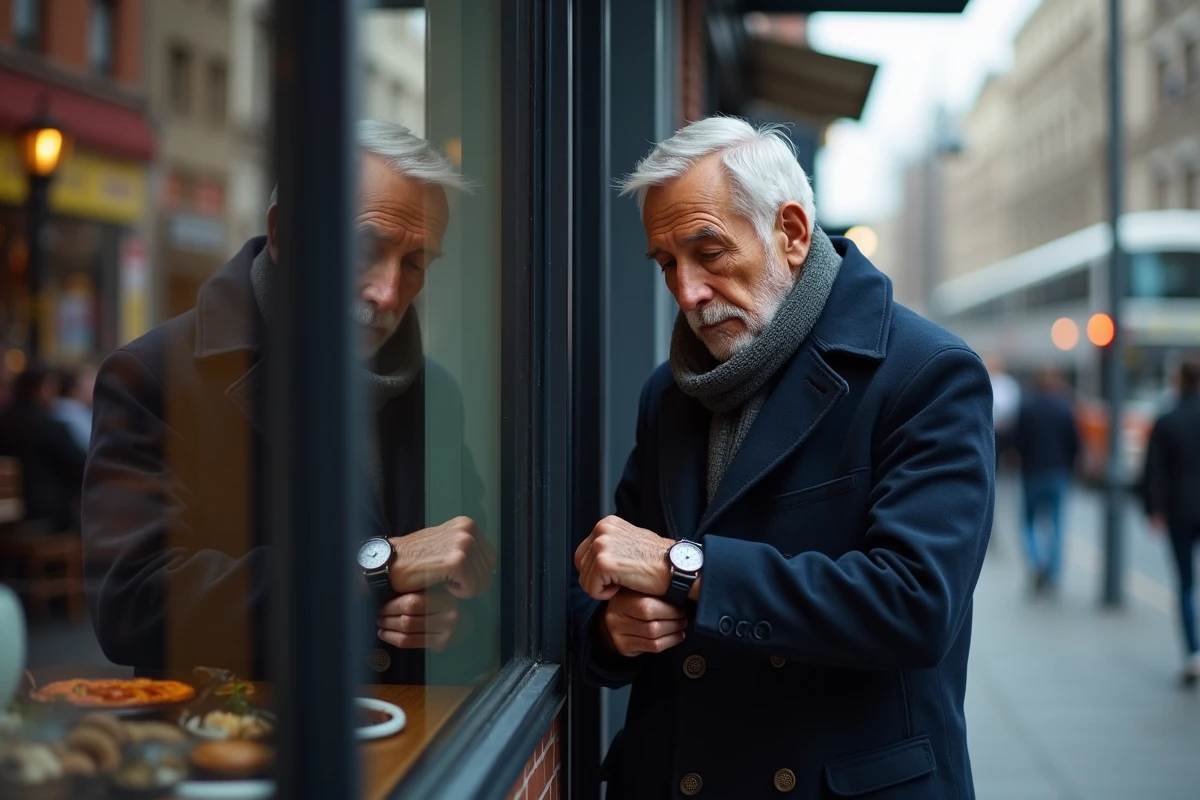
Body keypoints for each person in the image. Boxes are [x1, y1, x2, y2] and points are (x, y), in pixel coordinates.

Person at [571, 117, 994, 799]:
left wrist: (688, 570)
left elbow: (915, 605)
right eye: (666, 264)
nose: (686, 292)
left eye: (708, 251)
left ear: (792, 234)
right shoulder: (669, 391)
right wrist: (610, 630)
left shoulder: (925, 373)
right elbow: (612, 567)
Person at [83, 120, 495, 682]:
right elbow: (130, 603)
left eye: (417, 263)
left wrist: (458, 619)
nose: (389, 291)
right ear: (282, 235)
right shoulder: (154, 374)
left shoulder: (438, 391)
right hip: (242, 752)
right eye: (365, 250)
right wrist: (375, 567)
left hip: (416, 751)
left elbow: (476, 566)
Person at [1142, 358, 1200, 686]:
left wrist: (1153, 510)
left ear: (1178, 382)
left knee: (1186, 584)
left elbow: (1153, 470)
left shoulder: (1167, 420)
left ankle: (1193, 653)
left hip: (1179, 511)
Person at [1012, 367, 1079, 594]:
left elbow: (1017, 439)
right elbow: (1074, 441)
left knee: (1029, 522)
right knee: (1056, 525)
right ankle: (1052, 573)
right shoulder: (1064, 407)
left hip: (1031, 471)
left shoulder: (1027, 407)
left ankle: (1036, 561)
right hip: (1058, 472)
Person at [0, 365, 87, 532]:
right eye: (51, 386)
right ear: (40, 388)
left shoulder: (4, 420)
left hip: (9, 515)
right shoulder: (47, 424)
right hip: (44, 514)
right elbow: (81, 465)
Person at [50, 363, 98, 453]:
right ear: (74, 389)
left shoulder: (81, 411)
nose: (95, 385)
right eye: (89, 380)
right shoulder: (70, 413)